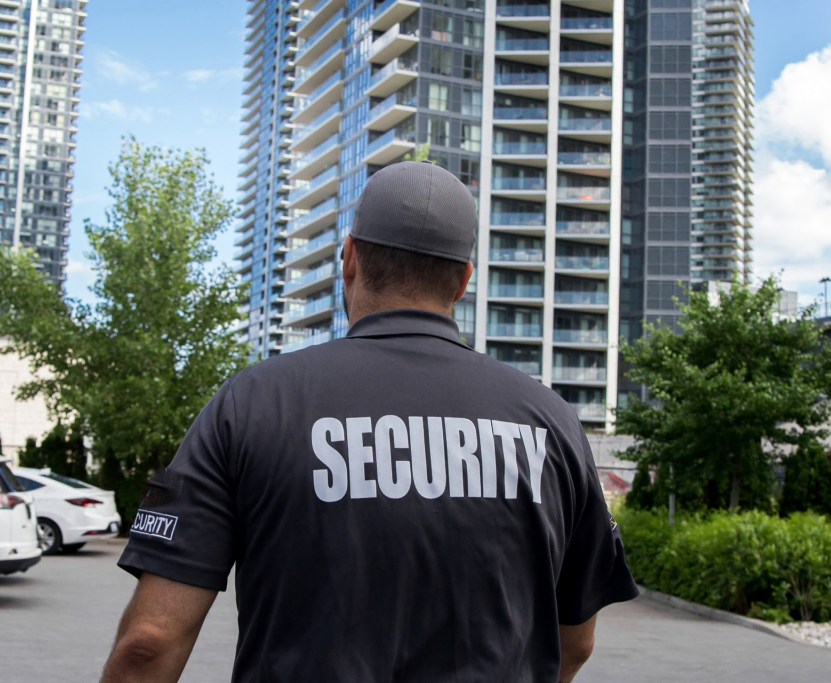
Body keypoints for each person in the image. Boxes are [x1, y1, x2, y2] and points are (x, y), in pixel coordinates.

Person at [101, 161, 638, 683]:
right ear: (463, 281)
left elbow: (149, 643)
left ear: (349, 258)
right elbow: (576, 641)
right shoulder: (551, 421)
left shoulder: (252, 403)